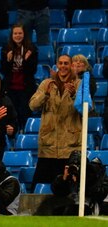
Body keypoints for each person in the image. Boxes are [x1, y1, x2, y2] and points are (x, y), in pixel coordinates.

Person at [29, 54, 81, 190]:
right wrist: (45, 94)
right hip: (48, 146)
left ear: (71, 66)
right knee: (38, 187)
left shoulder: (79, 84)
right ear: (57, 65)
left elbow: (89, 108)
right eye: (61, 63)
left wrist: (75, 95)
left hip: (69, 146)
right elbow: (33, 105)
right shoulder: (46, 84)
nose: (63, 66)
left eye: (66, 63)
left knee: (70, 189)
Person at [0, 23, 38, 131]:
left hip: (26, 88)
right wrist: (8, 61)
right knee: (12, 116)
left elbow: (33, 71)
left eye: (20, 33)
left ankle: (24, 134)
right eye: (15, 33)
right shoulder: (6, 48)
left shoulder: (31, 49)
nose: (18, 36)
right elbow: (3, 70)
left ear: (24, 34)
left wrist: (26, 60)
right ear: (12, 35)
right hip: (10, 88)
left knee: (24, 115)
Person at [48, 151, 108, 215]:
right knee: (57, 211)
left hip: (90, 206)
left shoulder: (93, 173)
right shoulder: (69, 176)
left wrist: (82, 178)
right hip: (74, 205)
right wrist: (63, 179)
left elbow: (99, 193)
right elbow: (58, 192)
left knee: (73, 210)